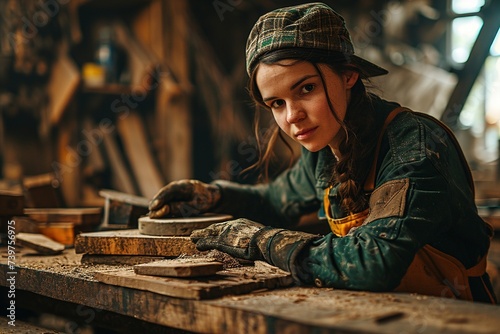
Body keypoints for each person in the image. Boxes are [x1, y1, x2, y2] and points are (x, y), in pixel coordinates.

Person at [149, 2, 497, 304]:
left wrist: (260, 240)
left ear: (348, 75)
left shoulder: (414, 144)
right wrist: (212, 195)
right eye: (277, 103)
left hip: (454, 317)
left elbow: (374, 263)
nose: (292, 116)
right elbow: (273, 201)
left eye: (307, 88)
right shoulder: (325, 148)